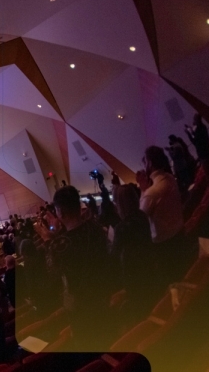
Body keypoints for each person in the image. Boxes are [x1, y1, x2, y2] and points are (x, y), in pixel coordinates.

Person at [50, 185, 112, 351]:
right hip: (103, 294)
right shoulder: (96, 228)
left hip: (81, 306)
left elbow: (54, 274)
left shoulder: (59, 245)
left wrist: (53, 239)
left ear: (60, 212)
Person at [136, 146, 187, 287]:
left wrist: (142, 189)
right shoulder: (170, 178)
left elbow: (141, 217)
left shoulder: (151, 193)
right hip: (179, 234)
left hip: (164, 245)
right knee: (181, 274)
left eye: (144, 161)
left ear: (150, 163)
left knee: (170, 282)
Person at [112, 184, 156, 321]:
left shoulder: (122, 227)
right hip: (148, 264)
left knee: (138, 304)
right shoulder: (142, 216)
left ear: (120, 204)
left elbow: (114, 253)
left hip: (133, 271)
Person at [185, 113, 209, 179]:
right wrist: (191, 130)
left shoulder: (198, 129)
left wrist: (188, 134)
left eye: (194, 119)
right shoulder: (203, 126)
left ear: (196, 120)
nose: (193, 121)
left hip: (203, 154)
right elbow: (197, 136)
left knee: (208, 173)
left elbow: (195, 142)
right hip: (208, 151)